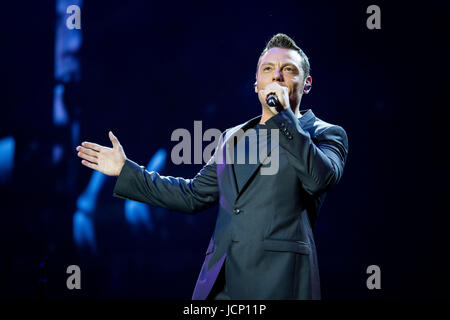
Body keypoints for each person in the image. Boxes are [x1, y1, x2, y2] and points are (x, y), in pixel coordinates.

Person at [76, 33, 349, 300]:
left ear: (306, 83)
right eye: (268, 69)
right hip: (221, 282)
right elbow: (192, 195)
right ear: (257, 84)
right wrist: (126, 171)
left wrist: (285, 117)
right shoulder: (233, 137)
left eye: (288, 70)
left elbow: (318, 179)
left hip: (278, 280)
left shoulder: (324, 133)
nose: (277, 75)